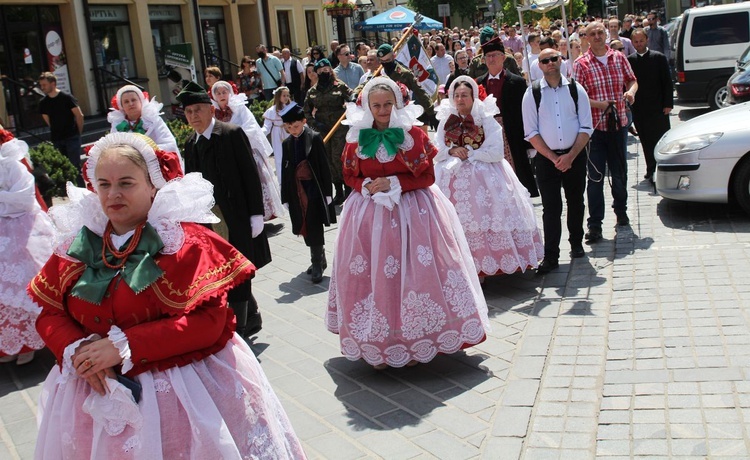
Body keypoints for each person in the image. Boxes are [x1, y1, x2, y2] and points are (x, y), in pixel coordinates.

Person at [29, 132, 306, 458]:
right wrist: (79, 351)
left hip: (183, 391)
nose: (113, 194)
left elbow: (210, 322)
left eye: (126, 183)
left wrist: (123, 346)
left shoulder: (180, 241)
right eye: (104, 184)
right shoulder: (81, 244)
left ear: (153, 185)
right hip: (94, 390)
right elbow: (49, 313)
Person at [326, 77, 489, 370]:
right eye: (376, 105)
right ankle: (377, 343)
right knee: (374, 279)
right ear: (367, 106)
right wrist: (365, 186)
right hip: (369, 215)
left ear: (398, 103)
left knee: (414, 275)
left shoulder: (412, 134)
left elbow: (427, 177)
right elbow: (348, 175)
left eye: (388, 104)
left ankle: (414, 340)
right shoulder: (356, 136)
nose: (382, 110)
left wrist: (395, 181)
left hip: (412, 212)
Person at [179, 81, 271, 338]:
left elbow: (250, 175)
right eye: (188, 112)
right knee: (222, 269)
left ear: (210, 109)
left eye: (198, 109)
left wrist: (256, 213)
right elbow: (191, 182)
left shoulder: (231, 133)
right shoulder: (191, 142)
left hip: (236, 215)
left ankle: (239, 329)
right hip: (208, 218)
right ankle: (251, 316)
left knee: (238, 267)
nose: (194, 116)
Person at [434, 76, 543, 278]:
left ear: (474, 97)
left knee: (486, 217)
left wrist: (471, 154)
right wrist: (451, 151)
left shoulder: (486, 119)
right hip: (451, 177)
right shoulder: (445, 121)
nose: (460, 100)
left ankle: (490, 263)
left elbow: (496, 151)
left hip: (484, 176)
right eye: (456, 95)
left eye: (464, 95)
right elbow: (436, 148)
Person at [522, 48, 594, 275]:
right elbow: (531, 132)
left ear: (561, 61)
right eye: (545, 60)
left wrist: (570, 156)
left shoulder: (576, 89)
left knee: (576, 201)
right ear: (539, 65)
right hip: (546, 159)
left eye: (554, 59)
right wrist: (554, 158)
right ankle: (551, 255)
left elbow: (586, 127)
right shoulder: (532, 93)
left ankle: (576, 243)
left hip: (574, 155)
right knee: (551, 207)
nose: (551, 63)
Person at [572, 21, 638, 243]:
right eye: (593, 33)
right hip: (594, 131)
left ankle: (621, 211)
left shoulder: (619, 57)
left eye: (601, 32)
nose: (598, 36)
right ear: (587, 38)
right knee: (595, 178)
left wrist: (630, 92)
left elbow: (632, 80)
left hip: (618, 125)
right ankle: (595, 225)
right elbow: (577, 98)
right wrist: (600, 104)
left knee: (620, 174)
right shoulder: (581, 64)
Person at [0, 129, 54, 365]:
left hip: (23, 227)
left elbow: (23, 198)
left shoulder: (13, 165)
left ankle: (29, 343)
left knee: (25, 279)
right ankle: (9, 342)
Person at [211, 80, 284, 221]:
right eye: (218, 93)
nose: (221, 95)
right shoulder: (212, 112)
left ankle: (261, 213)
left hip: (245, 149)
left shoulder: (239, 108)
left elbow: (251, 126)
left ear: (230, 93)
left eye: (224, 92)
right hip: (225, 154)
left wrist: (234, 135)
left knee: (254, 180)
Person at [279, 103, 335, 283]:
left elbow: (323, 165)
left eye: (295, 126)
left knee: (314, 223)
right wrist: (285, 195)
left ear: (304, 121)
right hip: (296, 190)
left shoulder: (314, 138)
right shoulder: (287, 143)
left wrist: (327, 192)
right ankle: (320, 256)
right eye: (288, 128)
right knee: (302, 224)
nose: (293, 131)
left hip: (313, 188)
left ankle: (317, 262)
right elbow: (284, 169)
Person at [475, 37, 539, 197]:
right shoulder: (478, 83)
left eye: (495, 55)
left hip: (512, 134)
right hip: (488, 135)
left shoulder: (516, 82)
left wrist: (529, 143)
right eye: (488, 56)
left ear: (503, 58)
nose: (491, 59)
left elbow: (525, 113)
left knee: (517, 175)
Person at [303, 59, 353, 205]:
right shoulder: (312, 91)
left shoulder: (339, 86)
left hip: (339, 127)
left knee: (339, 156)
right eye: (321, 70)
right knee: (328, 159)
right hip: (323, 129)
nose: (324, 72)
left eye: (327, 69)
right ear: (317, 72)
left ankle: (348, 188)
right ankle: (338, 190)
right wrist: (315, 124)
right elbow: (306, 111)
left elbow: (352, 97)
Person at [628, 28, 673, 182]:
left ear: (647, 40)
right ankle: (650, 168)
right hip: (640, 108)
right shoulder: (630, 60)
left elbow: (667, 82)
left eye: (641, 41)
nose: (639, 44)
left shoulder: (658, 58)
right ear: (632, 42)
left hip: (659, 107)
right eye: (636, 41)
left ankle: (664, 168)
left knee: (662, 139)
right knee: (646, 140)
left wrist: (668, 104)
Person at [367, 44, 436, 126]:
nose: (385, 63)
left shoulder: (405, 74)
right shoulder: (378, 72)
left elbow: (420, 92)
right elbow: (365, 85)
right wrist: (355, 93)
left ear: (394, 56)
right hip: (381, 114)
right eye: (383, 61)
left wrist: (431, 113)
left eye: (388, 60)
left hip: (400, 115)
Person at [107, 85, 180, 161]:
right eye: (126, 102)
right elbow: (113, 148)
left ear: (141, 101)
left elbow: (169, 144)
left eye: (133, 100)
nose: (131, 104)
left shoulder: (153, 120)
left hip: (156, 163)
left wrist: (146, 152)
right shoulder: (118, 125)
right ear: (121, 106)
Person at [38, 71, 84, 185]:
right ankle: (69, 192)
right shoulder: (43, 103)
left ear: (53, 83)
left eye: (44, 85)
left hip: (71, 136)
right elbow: (47, 120)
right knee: (64, 168)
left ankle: (82, 192)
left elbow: (79, 115)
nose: (42, 87)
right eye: (41, 85)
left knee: (75, 167)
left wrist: (78, 133)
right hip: (57, 138)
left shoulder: (66, 98)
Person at [263, 87, 293, 183]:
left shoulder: (291, 108)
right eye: (284, 95)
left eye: (287, 95)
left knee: (291, 155)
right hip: (277, 133)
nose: (286, 97)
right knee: (279, 157)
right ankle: (282, 182)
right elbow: (266, 127)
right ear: (278, 96)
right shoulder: (272, 111)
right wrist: (259, 133)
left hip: (289, 132)